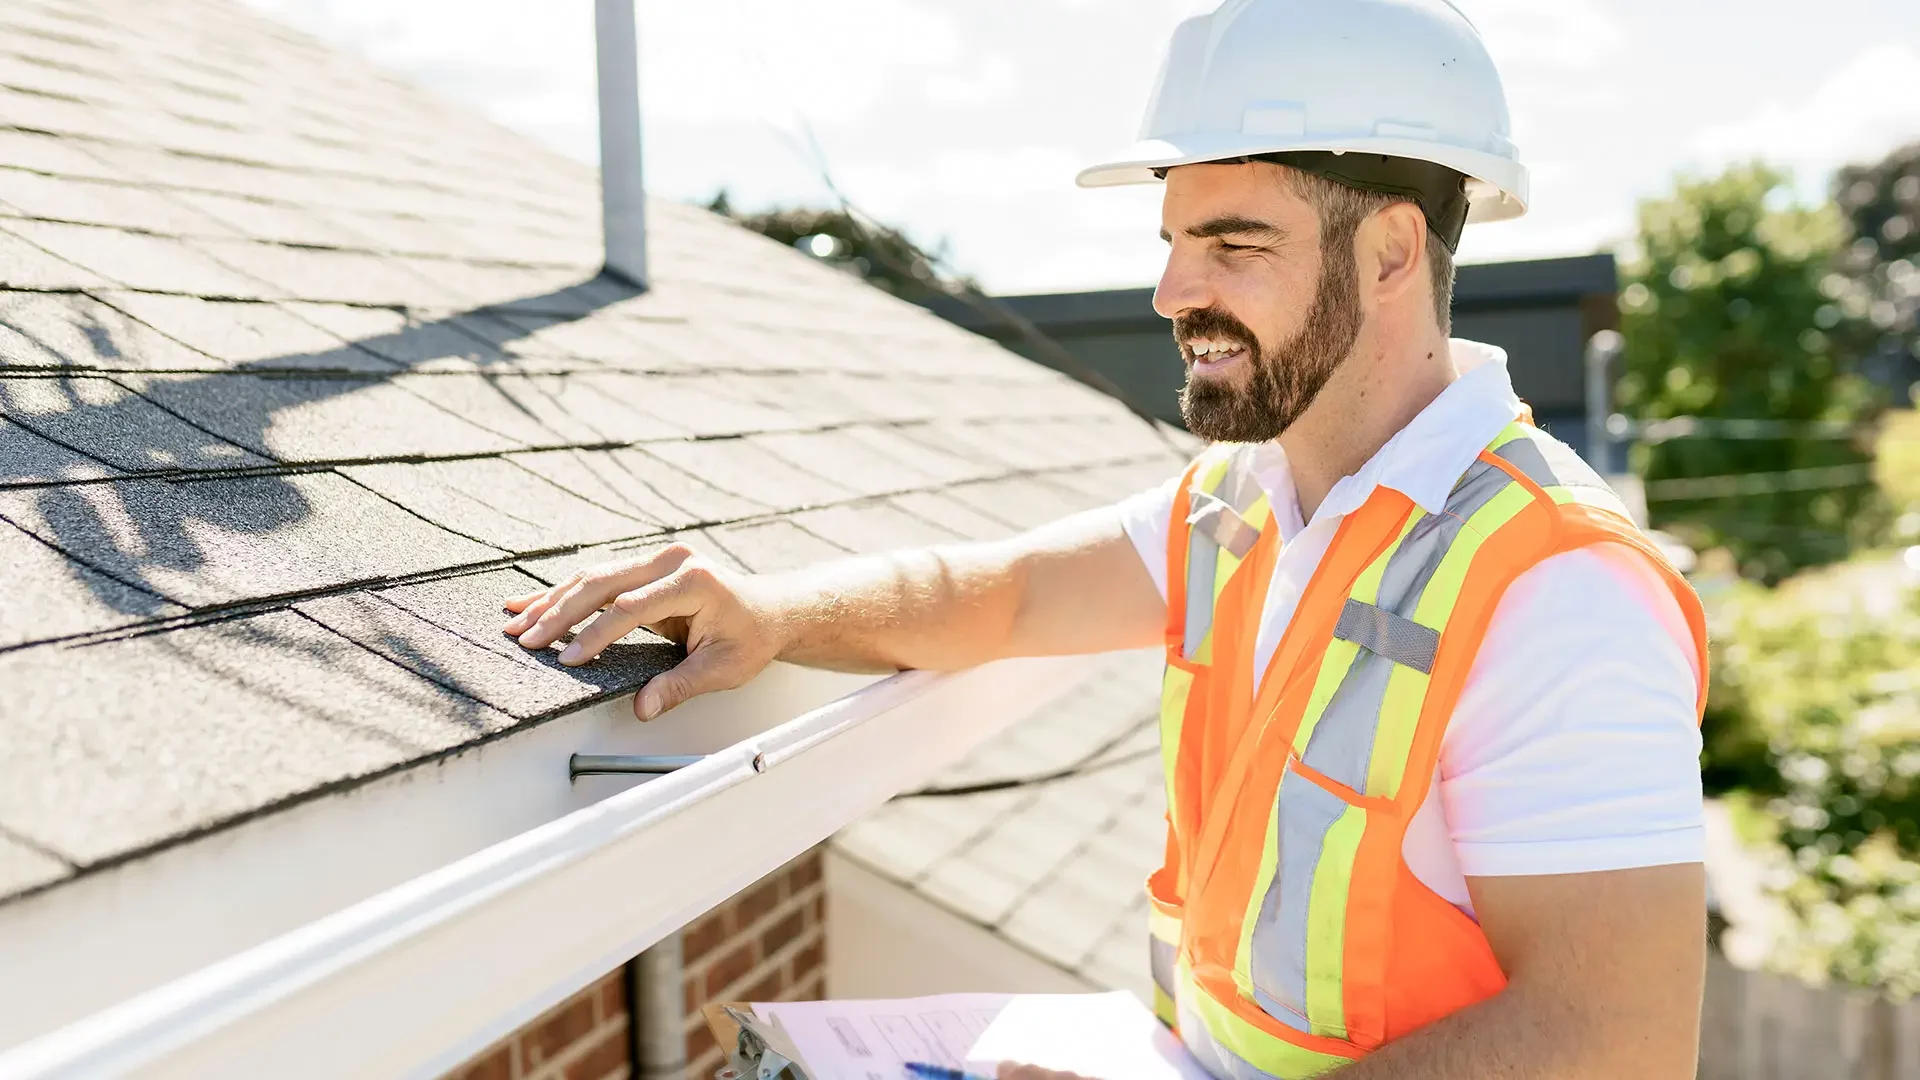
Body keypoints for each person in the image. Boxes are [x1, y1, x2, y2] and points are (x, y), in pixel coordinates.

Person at [502, 1, 1709, 1075]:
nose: (1172, 293)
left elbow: (1612, 1039)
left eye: (1233, 244)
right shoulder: (1244, 502)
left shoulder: (1556, 584)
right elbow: (1013, 595)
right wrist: (774, 613)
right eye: (1172, 241)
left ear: (1392, 250)